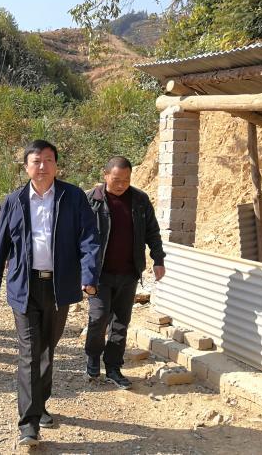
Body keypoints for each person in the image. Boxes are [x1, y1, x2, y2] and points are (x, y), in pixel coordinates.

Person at [0, 140, 99, 447]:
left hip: (59, 286)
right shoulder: (14, 200)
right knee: (29, 352)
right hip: (24, 285)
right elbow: (1, 246)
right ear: (26, 167)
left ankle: (41, 403)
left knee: (48, 349)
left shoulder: (72, 196)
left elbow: (89, 238)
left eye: (48, 160)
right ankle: (29, 424)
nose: (42, 166)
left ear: (56, 165)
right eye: (36, 161)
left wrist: (89, 276)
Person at [85, 156, 165, 388]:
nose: (121, 185)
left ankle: (113, 367)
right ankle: (92, 359)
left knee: (121, 322)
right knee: (99, 317)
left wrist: (158, 259)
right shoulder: (91, 200)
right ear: (105, 175)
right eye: (116, 179)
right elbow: (78, 237)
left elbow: (152, 232)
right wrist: (82, 273)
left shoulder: (139, 200)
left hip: (129, 273)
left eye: (126, 180)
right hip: (99, 274)